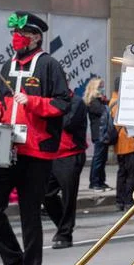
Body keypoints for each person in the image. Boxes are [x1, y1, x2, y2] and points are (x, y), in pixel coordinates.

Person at [0, 11, 70, 265]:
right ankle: (13, 260)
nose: (15, 39)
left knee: (29, 215)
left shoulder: (49, 65)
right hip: (8, 148)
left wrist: (33, 102)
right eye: (13, 35)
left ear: (35, 37)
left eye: (20, 35)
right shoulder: (7, 66)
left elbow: (63, 103)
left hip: (36, 152)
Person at [43, 91, 87, 249]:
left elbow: (67, 123)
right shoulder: (49, 100)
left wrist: (46, 111)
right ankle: (64, 225)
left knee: (68, 195)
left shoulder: (76, 102)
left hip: (70, 154)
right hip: (51, 154)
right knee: (45, 193)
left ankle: (65, 233)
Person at [109, 77, 134, 211]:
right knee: (132, 174)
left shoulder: (113, 101)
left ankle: (120, 201)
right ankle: (128, 201)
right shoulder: (121, 103)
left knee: (122, 173)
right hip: (129, 143)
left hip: (121, 145)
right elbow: (123, 122)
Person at [84, 77, 112, 192]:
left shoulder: (99, 100)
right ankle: (95, 182)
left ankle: (101, 181)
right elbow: (103, 112)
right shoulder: (93, 101)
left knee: (102, 158)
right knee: (98, 159)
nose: (102, 88)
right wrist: (104, 102)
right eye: (100, 85)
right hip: (99, 133)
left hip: (103, 133)